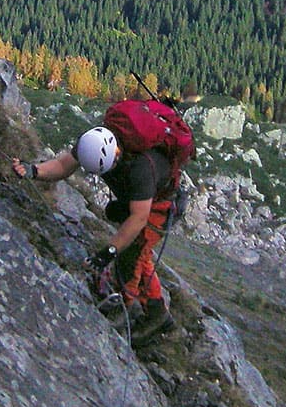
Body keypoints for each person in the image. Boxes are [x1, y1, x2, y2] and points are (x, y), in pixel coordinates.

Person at [14, 126, 175, 343]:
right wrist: (34, 170)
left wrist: (108, 252)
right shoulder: (91, 143)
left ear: (116, 156)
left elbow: (138, 219)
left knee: (130, 255)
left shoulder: (142, 168)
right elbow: (63, 165)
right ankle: (157, 311)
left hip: (160, 204)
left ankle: (127, 308)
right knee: (139, 254)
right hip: (138, 198)